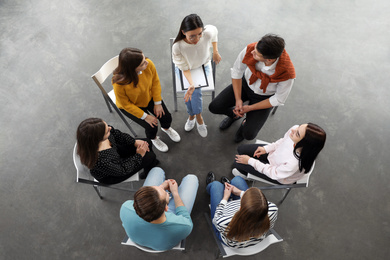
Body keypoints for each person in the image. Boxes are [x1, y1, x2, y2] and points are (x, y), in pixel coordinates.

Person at [209, 34, 296, 142]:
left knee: (249, 134)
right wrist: (238, 100)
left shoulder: (287, 72)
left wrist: (250, 108)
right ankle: (235, 115)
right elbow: (237, 71)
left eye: (257, 54)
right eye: (255, 48)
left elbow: (278, 99)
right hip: (245, 85)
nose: (252, 52)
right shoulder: (252, 48)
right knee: (214, 107)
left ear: (269, 60)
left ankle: (245, 123)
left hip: (265, 97)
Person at [112, 47, 180, 153]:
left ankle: (166, 129)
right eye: (142, 64)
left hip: (148, 97)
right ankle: (153, 139)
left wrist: (157, 103)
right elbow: (125, 104)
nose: (146, 63)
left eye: (144, 59)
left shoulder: (148, 64)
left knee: (166, 117)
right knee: (151, 127)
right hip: (131, 106)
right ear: (132, 68)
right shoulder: (119, 83)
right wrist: (145, 116)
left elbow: (155, 82)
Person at [120, 167, 199, 251]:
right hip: (162, 244)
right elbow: (185, 217)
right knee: (192, 178)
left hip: (138, 239)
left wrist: (160, 187)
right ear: (166, 208)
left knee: (156, 170)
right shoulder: (183, 226)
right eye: (166, 193)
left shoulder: (125, 207)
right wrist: (175, 193)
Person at [172, 14, 221, 137]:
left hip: (203, 66)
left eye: (200, 34)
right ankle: (198, 117)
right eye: (192, 36)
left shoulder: (207, 34)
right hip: (186, 69)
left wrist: (215, 51)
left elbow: (214, 32)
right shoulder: (177, 47)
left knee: (192, 92)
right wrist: (192, 84)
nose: (197, 38)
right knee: (194, 91)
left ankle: (192, 116)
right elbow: (184, 68)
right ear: (183, 32)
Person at [234, 123, 326, 184]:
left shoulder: (294, 164)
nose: (293, 130)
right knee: (241, 149)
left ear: (304, 145)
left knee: (237, 163)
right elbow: (282, 141)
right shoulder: (294, 131)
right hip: (274, 156)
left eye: (297, 133)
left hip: (278, 174)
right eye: (299, 126)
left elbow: (273, 173)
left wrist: (251, 161)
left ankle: (245, 175)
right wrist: (267, 149)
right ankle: (247, 169)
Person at [206, 172, 278, 248]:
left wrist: (225, 198)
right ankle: (228, 191)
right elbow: (258, 204)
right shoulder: (273, 210)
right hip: (255, 239)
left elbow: (216, 219)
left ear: (239, 207)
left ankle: (210, 186)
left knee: (216, 185)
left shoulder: (225, 222)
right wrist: (240, 193)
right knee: (237, 180)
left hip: (229, 240)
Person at [76, 118, 158, 184]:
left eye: (106, 125)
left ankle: (151, 163)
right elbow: (122, 170)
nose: (110, 128)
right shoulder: (99, 161)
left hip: (115, 154)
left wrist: (134, 142)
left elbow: (119, 136)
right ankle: (150, 170)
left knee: (147, 142)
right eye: (107, 131)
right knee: (150, 157)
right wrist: (139, 155)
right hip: (113, 174)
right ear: (98, 139)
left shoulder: (101, 131)